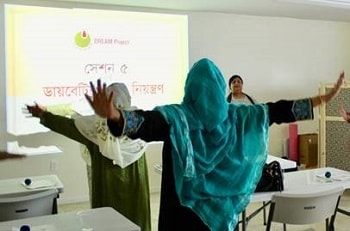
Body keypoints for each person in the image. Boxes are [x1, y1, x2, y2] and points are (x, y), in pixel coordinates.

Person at [85, 58, 344, 231]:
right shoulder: (237, 117)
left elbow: (145, 123)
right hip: (219, 212)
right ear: (221, 88)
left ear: (191, 89)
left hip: (180, 213)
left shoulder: (178, 117)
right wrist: (321, 99)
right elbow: (278, 111)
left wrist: (115, 116)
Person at [26, 83, 151, 231]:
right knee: (135, 216)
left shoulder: (95, 127)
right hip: (136, 180)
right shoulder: (140, 121)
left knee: (107, 220)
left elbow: (66, 126)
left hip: (107, 181)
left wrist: (43, 115)